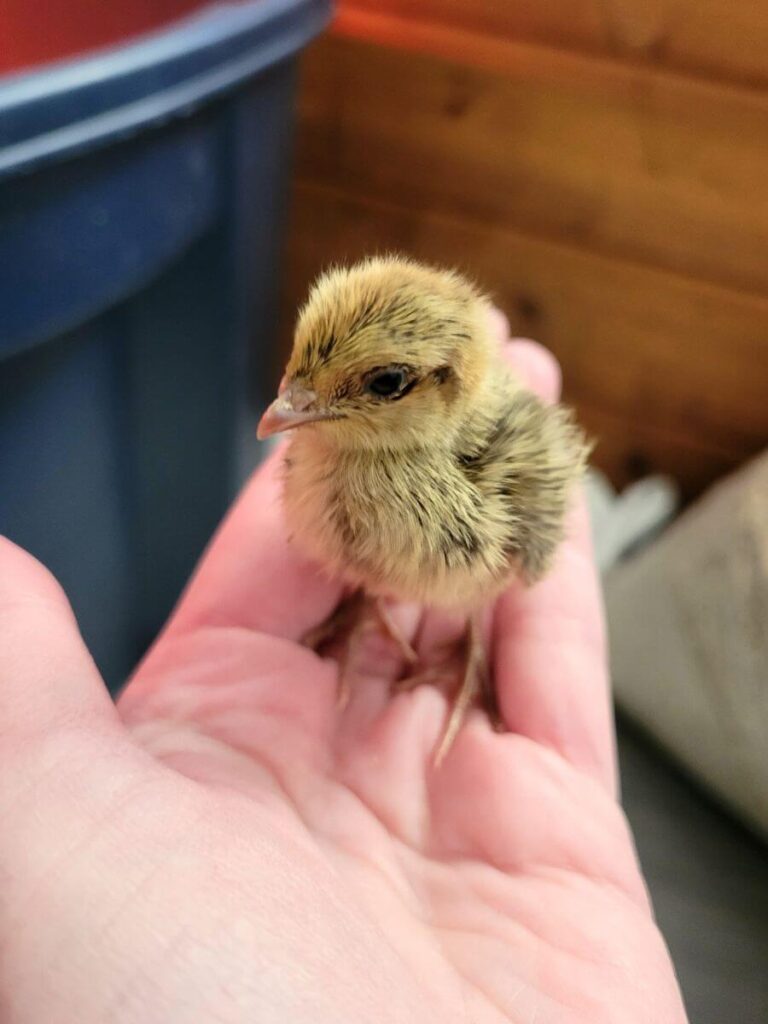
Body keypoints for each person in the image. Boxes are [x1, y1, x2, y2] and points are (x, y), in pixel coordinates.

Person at [0, 331, 689, 1023]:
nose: (288, 408)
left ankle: (468, 635)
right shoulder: (319, 456)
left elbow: (534, 533)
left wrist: (474, 626)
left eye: (383, 384)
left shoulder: (499, 462)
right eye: (303, 374)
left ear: (445, 386)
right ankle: (369, 604)